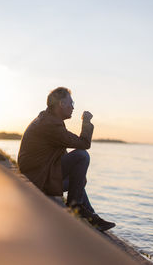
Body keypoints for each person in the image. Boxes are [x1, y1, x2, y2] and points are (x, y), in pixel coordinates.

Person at [18, 87, 115, 231]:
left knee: (79, 180)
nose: (73, 107)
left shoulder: (48, 119)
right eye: (71, 103)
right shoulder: (50, 125)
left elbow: (60, 154)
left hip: (38, 174)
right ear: (61, 104)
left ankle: (91, 216)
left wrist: (79, 179)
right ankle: (76, 207)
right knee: (82, 156)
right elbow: (84, 144)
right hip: (38, 178)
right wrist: (86, 122)